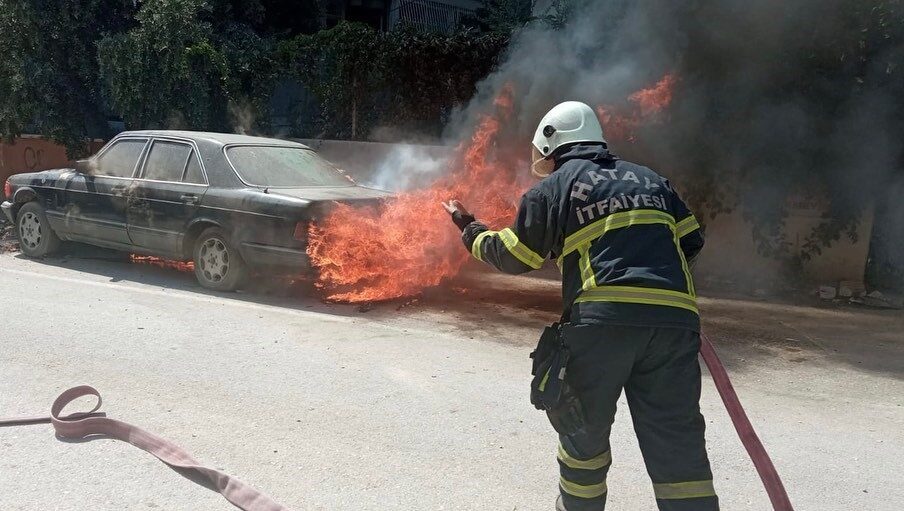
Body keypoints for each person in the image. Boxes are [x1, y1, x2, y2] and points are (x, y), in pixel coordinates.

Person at [442, 101, 718, 511]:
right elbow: (691, 242)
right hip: (674, 325)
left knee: (583, 440)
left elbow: (516, 256)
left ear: (552, 146)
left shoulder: (554, 188)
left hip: (601, 323)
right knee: (679, 449)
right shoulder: (654, 181)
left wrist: (470, 230)